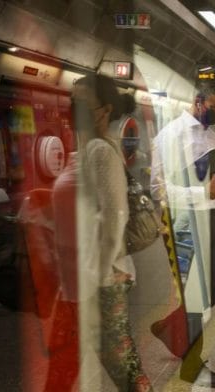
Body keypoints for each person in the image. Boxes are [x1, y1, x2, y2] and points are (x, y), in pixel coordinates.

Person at [47, 74, 153, 392]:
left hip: (98, 280)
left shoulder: (99, 151)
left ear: (104, 110)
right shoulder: (82, 151)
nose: (73, 107)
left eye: (82, 102)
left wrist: (101, 272)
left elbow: (115, 217)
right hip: (78, 277)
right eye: (72, 99)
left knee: (122, 367)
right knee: (66, 366)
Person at [150, 87, 215, 388]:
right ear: (198, 102)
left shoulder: (211, 136)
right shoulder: (170, 136)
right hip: (182, 220)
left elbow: (210, 180)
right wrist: (201, 192)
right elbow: (157, 190)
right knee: (195, 293)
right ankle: (192, 363)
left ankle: (171, 328)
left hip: (212, 214)